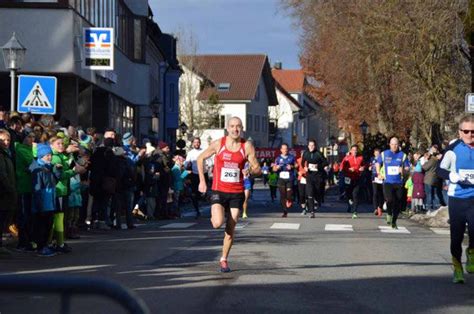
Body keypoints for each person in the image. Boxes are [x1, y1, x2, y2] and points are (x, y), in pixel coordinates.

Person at [197, 117, 261, 273]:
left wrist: (251, 170)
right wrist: (202, 181)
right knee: (217, 223)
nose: (235, 129)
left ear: (242, 128)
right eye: (232, 126)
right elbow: (200, 158)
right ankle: (217, 213)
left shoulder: (247, 146)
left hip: (236, 192)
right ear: (227, 128)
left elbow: (257, 169)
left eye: (238, 126)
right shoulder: (219, 144)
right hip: (219, 190)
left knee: (231, 228)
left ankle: (224, 259)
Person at [437, 114, 474, 283]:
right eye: (466, 131)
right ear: (459, 132)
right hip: (457, 199)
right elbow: (440, 170)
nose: (470, 135)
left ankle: (471, 253)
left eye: (473, 131)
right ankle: (457, 266)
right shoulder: (453, 149)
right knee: (457, 236)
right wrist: (451, 175)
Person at [30, 144, 61, 257]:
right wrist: (39, 206)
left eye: (50, 155)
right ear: (41, 155)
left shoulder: (48, 167)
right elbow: (37, 189)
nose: (50, 157)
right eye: (47, 155)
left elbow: (54, 181)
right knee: (41, 226)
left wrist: (58, 171)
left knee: (48, 225)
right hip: (43, 202)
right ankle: (41, 247)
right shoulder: (37, 169)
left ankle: (45, 245)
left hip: (50, 201)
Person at [375, 137, 410, 229]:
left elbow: (407, 169)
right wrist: (378, 173)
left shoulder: (403, 155)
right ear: (389, 144)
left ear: (398, 145)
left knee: (397, 203)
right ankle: (389, 214)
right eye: (392, 144)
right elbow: (378, 163)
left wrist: (402, 170)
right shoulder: (384, 154)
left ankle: (394, 221)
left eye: (396, 144)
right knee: (389, 200)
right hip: (387, 182)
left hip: (398, 183)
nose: (394, 146)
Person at [302, 139, 328, 218]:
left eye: (313, 145)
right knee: (310, 193)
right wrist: (305, 167)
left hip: (318, 176)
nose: (311, 147)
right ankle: (312, 212)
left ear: (315, 146)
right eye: (310, 145)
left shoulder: (318, 153)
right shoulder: (306, 153)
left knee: (317, 191)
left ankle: (317, 199)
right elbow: (303, 162)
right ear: (308, 146)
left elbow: (325, 162)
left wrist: (319, 166)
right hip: (309, 175)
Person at [0, 129, 17, 256]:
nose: (6, 142)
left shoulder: (7, 153)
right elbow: (2, 175)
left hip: (7, 192)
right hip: (3, 192)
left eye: (8, 140)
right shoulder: (1, 155)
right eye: (3, 140)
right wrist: (10, 188)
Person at [341, 145, 365, 219]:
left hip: (357, 178)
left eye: (356, 150)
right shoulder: (347, 158)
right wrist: (348, 169)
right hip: (348, 178)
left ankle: (355, 211)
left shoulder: (360, 158)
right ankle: (349, 203)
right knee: (348, 193)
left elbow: (364, 165)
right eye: (353, 150)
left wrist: (362, 168)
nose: (355, 151)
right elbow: (341, 167)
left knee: (355, 194)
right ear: (350, 151)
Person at [273, 143, 296, 218]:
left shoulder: (291, 157)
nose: (285, 150)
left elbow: (296, 165)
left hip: (289, 178)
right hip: (281, 179)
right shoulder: (278, 158)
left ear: (288, 149)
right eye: (283, 149)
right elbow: (274, 169)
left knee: (289, 194)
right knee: (283, 195)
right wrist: (277, 168)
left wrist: (291, 166)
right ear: (281, 150)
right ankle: (285, 211)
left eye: (286, 149)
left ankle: (290, 200)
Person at [370, 148, 384, 216]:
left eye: (378, 153)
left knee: (381, 193)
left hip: (381, 177)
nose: (377, 154)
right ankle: (375, 208)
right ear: (374, 153)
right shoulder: (372, 159)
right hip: (374, 178)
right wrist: (369, 167)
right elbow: (370, 166)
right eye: (376, 153)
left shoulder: (382, 159)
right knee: (375, 193)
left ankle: (380, 207)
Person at [296, 150, 308, 215]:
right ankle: (303, 208)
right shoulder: (298, 160)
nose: (303, 156)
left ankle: (307, 206)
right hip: (301, 179)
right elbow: (295, 168)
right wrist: (298, 172)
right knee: (301, 195)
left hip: (308, 179)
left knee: (308, 194)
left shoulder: (309, 161)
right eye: (302, 154)